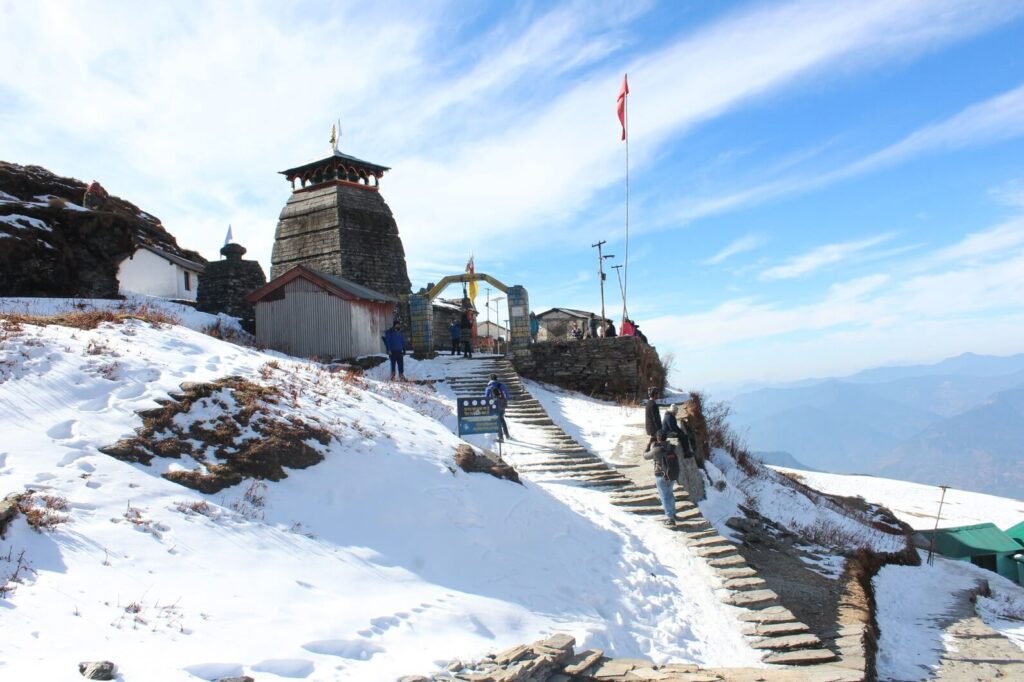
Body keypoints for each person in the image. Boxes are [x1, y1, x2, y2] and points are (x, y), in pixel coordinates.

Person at [643, 430, 680, 526]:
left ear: (658, 438)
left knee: (664, 496)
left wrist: (648, 445)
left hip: (661, 475)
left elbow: (645, 456)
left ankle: (670, 518)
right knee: (670, 494)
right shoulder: (672, 447)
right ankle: (673, 513)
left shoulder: (656, 450)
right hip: (672, 475)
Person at [484, 373, 512, 441]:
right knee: (501, 419)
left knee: (497, 420)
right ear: (496, 378)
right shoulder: (501, 385)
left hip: (494, 405)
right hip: (502, 404)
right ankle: (507, 435)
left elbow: (486, 397)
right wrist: (503, 401)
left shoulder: (489, 387)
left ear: (490, 379)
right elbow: (507, 395)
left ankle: (500, 437)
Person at [644, 387, 661, 452]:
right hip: (653, 427)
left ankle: (648, 449)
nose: (657, 395)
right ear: (654, 394)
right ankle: (650, 451)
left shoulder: (649, 403)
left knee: (653, 438)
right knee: (657, 439)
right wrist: (659, 429)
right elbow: (655, 418)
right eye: (656, 394)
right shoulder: (653, 404)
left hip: (650, 426)